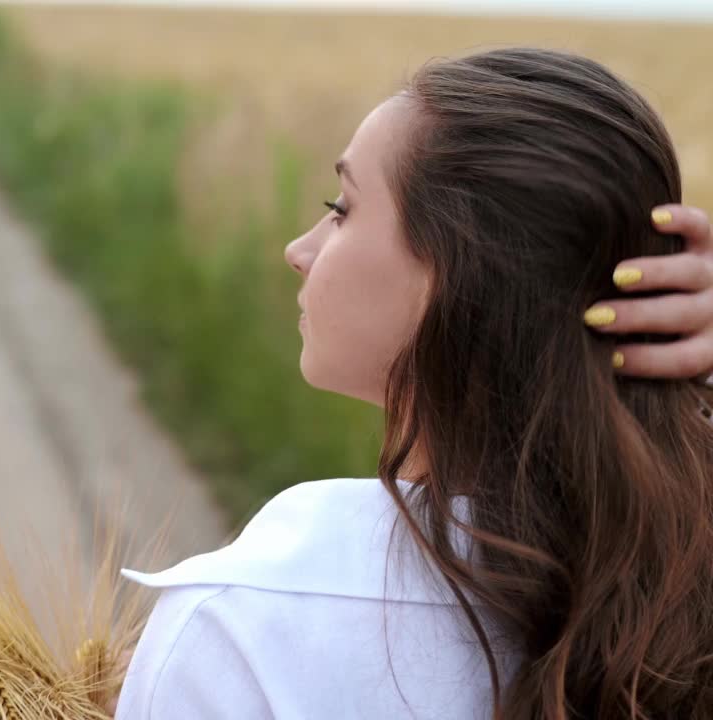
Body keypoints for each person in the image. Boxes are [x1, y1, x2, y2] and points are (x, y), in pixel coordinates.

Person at [114, 48, 713, 719]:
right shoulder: (684, 577)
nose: (299, 250)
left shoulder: (241, 625)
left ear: (459, 277)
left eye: (340, 207)